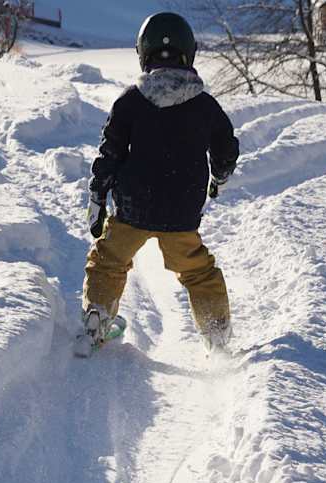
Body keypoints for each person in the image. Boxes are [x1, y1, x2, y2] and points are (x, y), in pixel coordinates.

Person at [81, 12, 240, 355]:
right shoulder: (205, 106)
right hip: (180, 213)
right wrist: (219, 176)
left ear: (144, 53)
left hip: (132, 210)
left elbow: (109, 153)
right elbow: (226, 149)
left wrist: (98, 195)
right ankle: (215, 332)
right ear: (189, 52)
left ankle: (97, 314)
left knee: (108, 262)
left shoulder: (130, 102)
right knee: (198, 272)